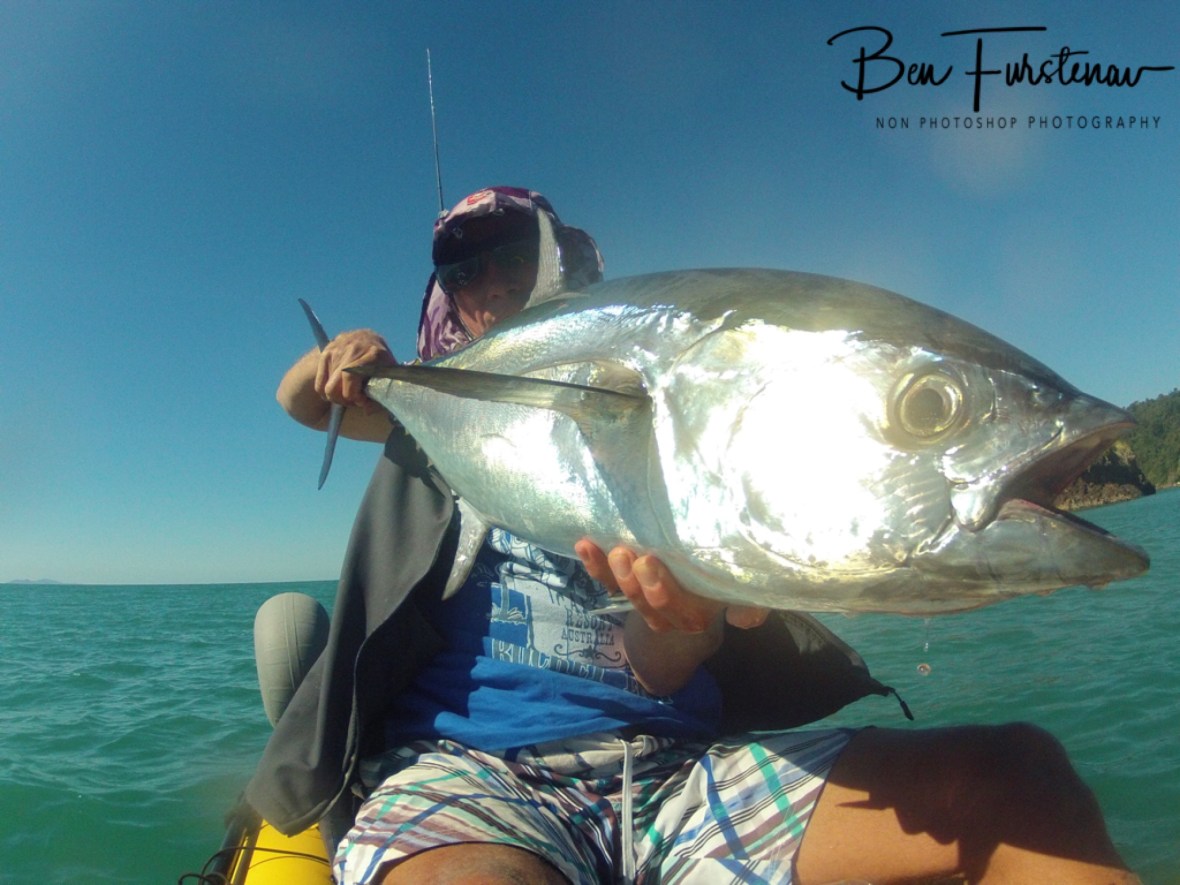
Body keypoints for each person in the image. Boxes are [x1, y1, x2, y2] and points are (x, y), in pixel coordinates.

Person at [255, 186, 1138, 884]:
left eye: (517, 263)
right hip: (476, 770)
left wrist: (686, 619)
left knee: (1024, 780)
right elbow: (302, 402)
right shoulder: (436, 404)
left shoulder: (644, 367)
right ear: (447, 305)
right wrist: (333, 362)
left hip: (682, 769)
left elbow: (659, 665)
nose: (492, 289)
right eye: (468, 276)